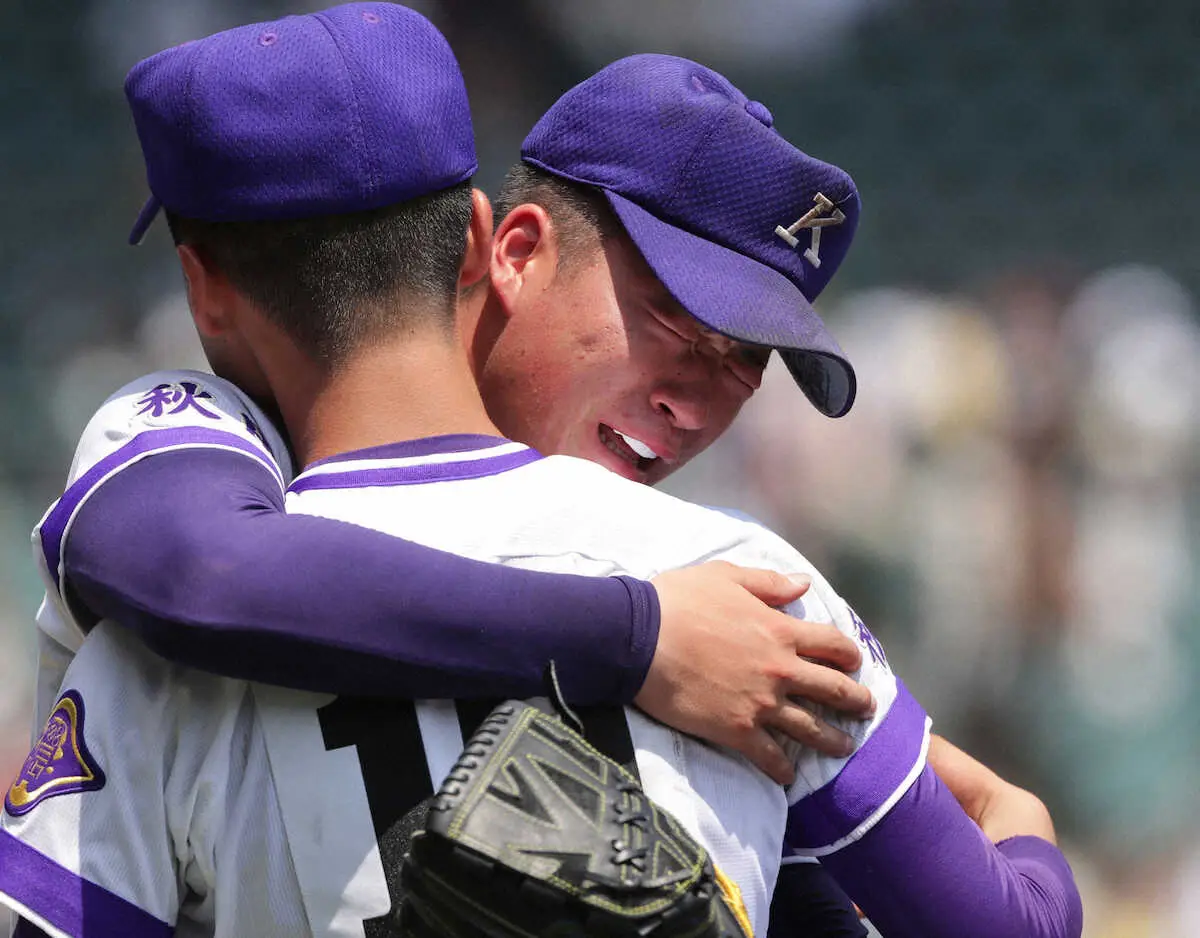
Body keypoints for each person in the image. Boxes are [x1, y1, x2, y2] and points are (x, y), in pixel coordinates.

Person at [0, 22, 1081, 938]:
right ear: (498, 244)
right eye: (671, 325)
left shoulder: (147, 659)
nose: (696, 403)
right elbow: (210, 572)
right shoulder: (738, 596)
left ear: (209, 286)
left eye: (744, 365)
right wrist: (642, 639)